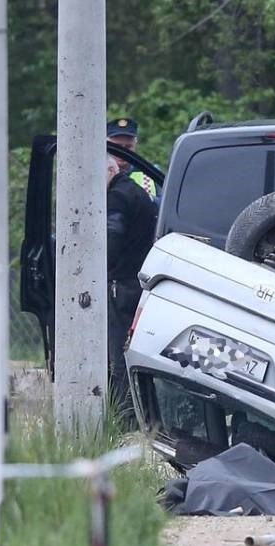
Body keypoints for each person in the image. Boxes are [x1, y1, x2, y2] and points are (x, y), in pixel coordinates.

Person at [106, 147, 159, 423]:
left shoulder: (117, 197)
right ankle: (141, 418)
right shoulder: (136, 192)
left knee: (117, 359)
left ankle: (124, 420)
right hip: (139, 282)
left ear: (110, 171)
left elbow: (111, 243)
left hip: (122, 285)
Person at [107, 117, 158, 201]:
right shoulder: (98, 174)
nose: (123, 152)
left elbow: (165, 204)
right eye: (117, 147)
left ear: (135, 144)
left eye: (128, 147)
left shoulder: (150, 172)